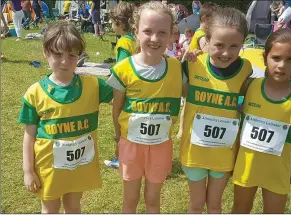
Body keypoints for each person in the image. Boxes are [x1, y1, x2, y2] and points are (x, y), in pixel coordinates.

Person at [18, 21, 114, 213]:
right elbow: (29, 137)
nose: (65, 61)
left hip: (78, 166)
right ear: (46, 52)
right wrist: (28, 171)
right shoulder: (34, 94)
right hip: (49, 168)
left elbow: (119, 97)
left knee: (73, 206)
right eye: (57, 54)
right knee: (50, 208)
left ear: (79, 55)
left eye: (72, 55)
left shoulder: (93, 86)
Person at [106, 1, 186, 213]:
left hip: (161, 146)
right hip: (131, 146)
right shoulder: (123, 69)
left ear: (171, 35)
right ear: (135, 32)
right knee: (130, 199)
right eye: (148, 31)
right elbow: (116, 108)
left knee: (153, 200)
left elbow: (194, 91)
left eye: (162, 32)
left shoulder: (178, 68)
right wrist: (117, 137)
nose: (154, 38)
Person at [179, 7, 253, 214]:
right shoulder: (193, 65)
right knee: (195, 205)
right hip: (194, 152)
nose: (226, 52)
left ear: (242, 45)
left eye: (234, 46)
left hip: (223, 154)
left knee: (214, 205)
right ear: (207, 41)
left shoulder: (246, 68)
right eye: (219, 45)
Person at [232, 28, 291, 214]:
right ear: (265, 57)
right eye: (276, 58)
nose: (282, 65)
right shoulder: (249, 85)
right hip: (247, 164)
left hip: (278, 170)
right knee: (240, 209)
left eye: (290, 59)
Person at [176, 2, 218, 140]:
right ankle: (182, 130)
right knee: (188, 101)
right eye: (214, 21)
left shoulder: (202, 33)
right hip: (192, 72)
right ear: (205, 19)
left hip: (198, 72)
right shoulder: (201, 33)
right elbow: (206, 49)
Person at [103, 1, 137, 168]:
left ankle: (120, 158)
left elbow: (121, 69)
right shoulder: (136, 39)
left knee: (120, 125)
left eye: (112, 21)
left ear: (119, 23)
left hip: (125, 91)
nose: (111, 24)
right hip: (137, 90)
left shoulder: (124, 42)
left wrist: (113, 93)